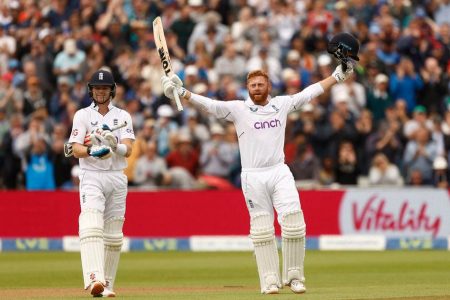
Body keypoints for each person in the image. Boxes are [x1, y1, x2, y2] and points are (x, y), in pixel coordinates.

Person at [161, 61, 354, 294]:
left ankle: (294, 277)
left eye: (261, 84)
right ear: (247, 88)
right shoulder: (238, 109)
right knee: (262, 229)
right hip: (253, 176)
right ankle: (269, 280)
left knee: (294, 221)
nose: (256, 88)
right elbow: (210, 105)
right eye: (252, 85)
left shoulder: (281, 104)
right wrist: (183, 93)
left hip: (279, 171)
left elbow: (309, 92)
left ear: (269, 86)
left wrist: (336, 76)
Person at [67, 69, 134, 297]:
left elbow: (129, 148)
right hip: (92, 175)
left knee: (114, 235)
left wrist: (114, 146)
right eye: (97, 88)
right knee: (92, 223)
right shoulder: (82, 115)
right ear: (91, 90)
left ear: (112, 90)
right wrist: (93, 151)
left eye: (104, 88)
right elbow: (74, 148)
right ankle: (95, 278)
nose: (101, 91)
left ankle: (108, 286)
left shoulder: (123, 116)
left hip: (116, 175)